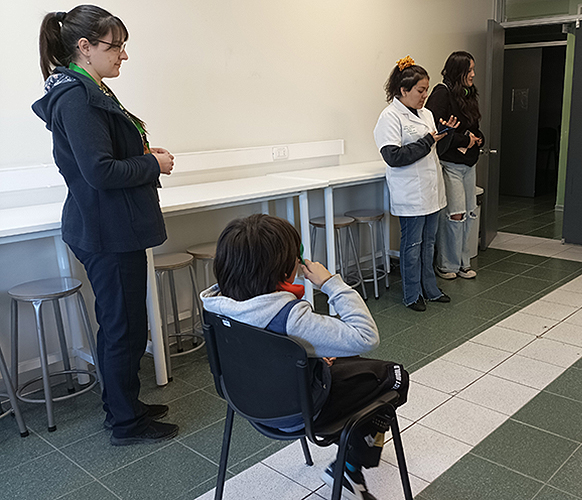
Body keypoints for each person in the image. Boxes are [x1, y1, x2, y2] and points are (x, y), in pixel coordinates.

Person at [33, 5, 178, 445]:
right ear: (85, 47)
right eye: (116, 47)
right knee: (122, 327)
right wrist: (151, 163)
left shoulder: (88, 88)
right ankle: (125, 423)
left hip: (111, 227)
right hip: (106, 232)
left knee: (126, 325)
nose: (124, 56)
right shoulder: (76, 97)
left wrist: (144, 159)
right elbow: (99, 171)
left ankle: (124, 405)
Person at [201, 214, 409, 500]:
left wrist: (311, 359)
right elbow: (366, 335)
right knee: (394, 376)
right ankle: (349, 468)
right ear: (284, 269)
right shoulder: (290, 319)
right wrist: (330, 282)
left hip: (246, 400)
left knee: (348, 358)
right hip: (301, 412)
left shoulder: (215, 306)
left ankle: (354, 441)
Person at [373, 56, 458, 311]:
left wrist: (445, 135)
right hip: (410, 194)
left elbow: (434, 149)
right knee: (412, 246)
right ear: (403, 90)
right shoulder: (390, 117)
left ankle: (430, 289)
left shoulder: (427, 114)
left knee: (429, 243)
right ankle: (412, 294)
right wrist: (428, 141)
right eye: (420, 91)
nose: (424, 96)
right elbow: (393, 157)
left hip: (432, 191)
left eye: (426, 90)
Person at [425, 51, 484, 280]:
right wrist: (463, 140)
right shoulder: (442, 93)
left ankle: (463, 263)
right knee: (454, 215)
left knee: (469, 213)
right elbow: (435, 129)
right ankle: (446, 265)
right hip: (450, 163)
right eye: (469, 70)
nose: (473, 74)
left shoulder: (468, 95)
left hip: (469, 163)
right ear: (458, 71)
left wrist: (478, 139)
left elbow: (474, 126)